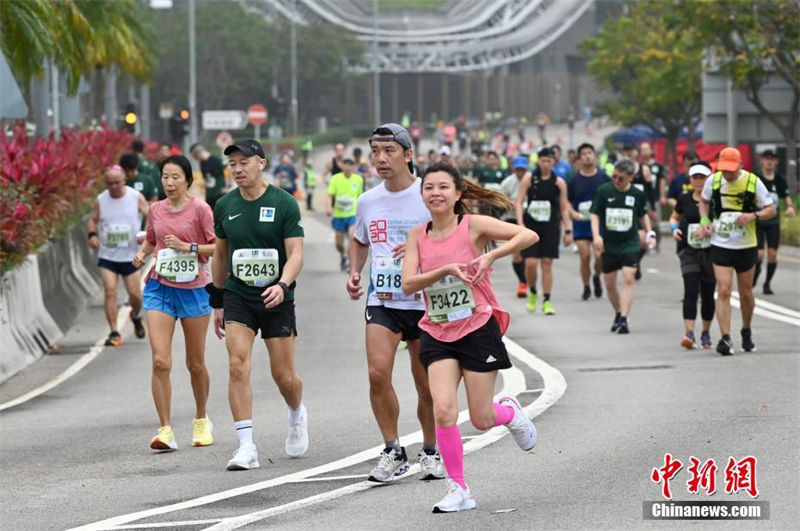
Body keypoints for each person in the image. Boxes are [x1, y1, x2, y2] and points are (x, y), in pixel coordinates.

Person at [401, 162, 538, 513]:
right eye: (429, 187)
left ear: (458, 193)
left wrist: (489, 255)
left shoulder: (472, 225)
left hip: (477, 326)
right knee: (444, 410)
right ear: (422, 195)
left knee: (481, 419)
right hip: (437, 329)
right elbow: (408, 283)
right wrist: (445, 270)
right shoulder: (418, 234)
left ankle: (508, 412)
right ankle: (458, 488)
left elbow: (528, 235)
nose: (436, 193)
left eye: (443, 187)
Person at [346, 123, 445, 483]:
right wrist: (355, 271)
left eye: (389, 151)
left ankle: (431, 451)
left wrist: (423, 250)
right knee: (377, 375)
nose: (381, 158)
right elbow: (359, 240)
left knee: (426, 384)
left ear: (408, 155)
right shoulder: (368, 200)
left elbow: (455, 236)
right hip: (384, 299)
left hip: (424, 302)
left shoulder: (428, 194)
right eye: (375, 151)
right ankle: (393, 450)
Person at [207, 139, 309, 470]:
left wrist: (283, 284)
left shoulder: (284, 203)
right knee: (238, 365)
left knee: (284, 376)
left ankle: (296, 413)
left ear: (261, 163)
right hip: (239, 295)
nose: (237, 169)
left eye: (244, 162)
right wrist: (218, 300)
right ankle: (246, 446)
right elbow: (221, 255)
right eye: (232, 164)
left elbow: (295, 253)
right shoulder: (224, 205)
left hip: (276, 296)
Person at [132, 155, 216, 451]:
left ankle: (201, 419)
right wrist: (143, 255)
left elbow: (216, 246)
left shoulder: (201, 209)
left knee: (195, 363)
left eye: (175, 177)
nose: (169, 183)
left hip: (194, 290)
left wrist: (188, 247)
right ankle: (165, 429)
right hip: (160, 287)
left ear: (188, 180)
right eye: (165, 177)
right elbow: (151, 239)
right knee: (160, 361)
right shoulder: (155, 209)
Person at [698, 147, 776, 355]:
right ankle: (725, 337)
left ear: (740, 165)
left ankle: (746, 330)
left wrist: (754, 216)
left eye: (731, 170)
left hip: (746, 244)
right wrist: (705, 220)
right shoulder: (713, 181)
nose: (727, 174)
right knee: (723, 290)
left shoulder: (753, 182)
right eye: (724, 169)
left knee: (746, 293)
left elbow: (771, 209)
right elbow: (703, 201)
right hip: (720, 243)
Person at [591, 159, 655, 334]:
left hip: (630, 243)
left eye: (621, 178)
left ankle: (625, 319)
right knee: (610, 284)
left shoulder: (637, 194)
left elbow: (643, 215)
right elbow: (595, 214)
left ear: (630, 178)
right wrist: (596, 236)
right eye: (614, 176)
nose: (616, 180)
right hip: (609, 245)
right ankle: (619, 313)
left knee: (628, 278)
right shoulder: (604, 191)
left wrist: (650, 233)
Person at [88, 165, 149, 346]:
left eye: (117, 182)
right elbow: (93, 219)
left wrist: (145, 234)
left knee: (135, 295)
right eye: (110, 183)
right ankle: (114, 331)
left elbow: (151, 216)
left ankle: (135, 316)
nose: (114, 186)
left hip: (131, 255)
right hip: (108, 255)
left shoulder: (135, 196)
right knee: (110, 292)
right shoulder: (101, 199)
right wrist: (92, 235)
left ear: (124, 181)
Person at [514, 147, 571, 314]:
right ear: (538, 161)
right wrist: (520, 224)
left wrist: (568, 230)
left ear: (554, 162)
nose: (546, 164)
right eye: (543, 160)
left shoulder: (559, 182)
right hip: (532, 226)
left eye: (549, 161)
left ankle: (546, 299)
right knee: (531, 263)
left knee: (547, 263)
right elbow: (519, 202)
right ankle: (532, 292)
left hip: (551, 226)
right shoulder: (529, 178)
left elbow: (564, 207)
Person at [668, 162, 715, 350]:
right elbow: (674, 217)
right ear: (690, 179)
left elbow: (722, 221)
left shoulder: (715, 200)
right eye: (695, 177)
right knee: (690, 290)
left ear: (709, 179)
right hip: (688, 250)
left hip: (711, 252)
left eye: (702, 178)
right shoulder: (685, 199)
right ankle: (689, 333)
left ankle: (706, 333)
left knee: (708, 294)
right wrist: (674, 230)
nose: (698, 181)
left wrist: (710, 230)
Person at [567, 143, 609, 300]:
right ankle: (586, 286)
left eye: (589, 153)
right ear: (579, 158)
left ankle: (597, 276)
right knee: (584, 256)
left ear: (594, 155)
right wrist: (573, 213)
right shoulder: (574, 180)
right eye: (583, 154)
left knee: (599, 256)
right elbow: (568, 201)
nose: (587, 156)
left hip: (599, 225)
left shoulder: (604, 177)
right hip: (582, 224)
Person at [753, 149, 796, 294]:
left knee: (772, 254)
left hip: (773, 222)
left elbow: (785, 196)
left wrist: (790, 207)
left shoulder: (780, 180)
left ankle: (767, 283)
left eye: (772, 159)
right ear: (761, 161)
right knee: (759, 254)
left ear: (776, 161)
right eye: (766, 158)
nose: (769, 162)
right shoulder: (756, 179)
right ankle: (754, 275)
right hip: (758, 220)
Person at [501, 156, 531, 298]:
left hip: (529, 217)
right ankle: (522, 281)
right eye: (518, 169)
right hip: (513, 217)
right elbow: (500, 201)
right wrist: (509, 203)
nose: (520, 172)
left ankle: (530, 279)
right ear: (513, 168)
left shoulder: (533, 180)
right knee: (517, 252)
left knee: (529, 253)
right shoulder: (507, 183)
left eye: (523, 169)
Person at [326, 158, 364, 271]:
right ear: (342, 165)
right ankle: (343, 255)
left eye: (350, 165)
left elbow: (361, 197)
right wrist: (329, 207)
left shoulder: (358, 179)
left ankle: (349, 260)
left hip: (352, 214)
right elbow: (329, 195)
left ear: (354, 166)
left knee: (352, 237)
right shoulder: (335, 178)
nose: (348, 167)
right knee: (339, 244)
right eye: (346, 164)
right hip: (338, 215)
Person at [190, 143, 229, 210]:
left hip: (220, 192)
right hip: (209, 194)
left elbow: (227, 173)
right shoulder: (202, 163)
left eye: (195, 156)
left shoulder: (217, 160)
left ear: (198, 154)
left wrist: (227, 187)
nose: (196, 159)